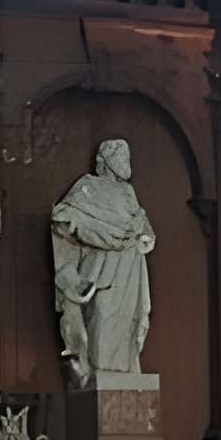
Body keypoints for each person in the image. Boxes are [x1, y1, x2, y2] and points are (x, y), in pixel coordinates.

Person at [50, 138, 158, 385]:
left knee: (127, 322)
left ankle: (122, 376)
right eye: (120, 157)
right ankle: (98, 377)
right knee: (101, 314)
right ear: (107, 161)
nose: (125, 163)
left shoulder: (128, 193)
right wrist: (85, 227)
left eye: (126, 156)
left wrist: (143, 235)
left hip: (129, 267)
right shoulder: (88, 187)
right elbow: (63, 217)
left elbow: (142, 228)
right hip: (100, 266)